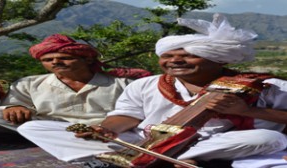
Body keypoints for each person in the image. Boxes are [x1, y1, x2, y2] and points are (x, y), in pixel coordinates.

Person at [17, 14, 287, 168]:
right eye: (167, 56)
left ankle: (151, 161)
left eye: (188, 56)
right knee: (33, 128)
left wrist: (247, 110)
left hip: (208, 144)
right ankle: (151, 158)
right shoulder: (145, 84)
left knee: (269, 138)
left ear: (218, 58)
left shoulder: (267, 85)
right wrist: (107, 129)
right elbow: (126, 116)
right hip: (144, 140)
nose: (174, 61)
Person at [0, 34, 151, 133]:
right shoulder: (28, 83)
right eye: (48, 60)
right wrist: (13, 108)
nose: (56, 62)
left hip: (105, 129)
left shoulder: (122, 83)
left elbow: (135, 112)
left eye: (65, 58)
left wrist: (107, 128)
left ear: (87, 59)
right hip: (48, 128)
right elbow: (12, 106)